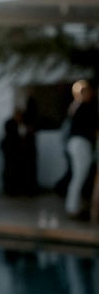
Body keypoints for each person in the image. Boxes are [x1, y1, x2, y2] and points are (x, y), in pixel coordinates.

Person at [64, 79, 98, 220]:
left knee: (79, 175)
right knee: (79, 175)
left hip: (76, 143)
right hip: (80, 143)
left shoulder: (77, 107)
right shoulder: (84, 107)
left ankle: (74, 206)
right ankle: (72, 207)